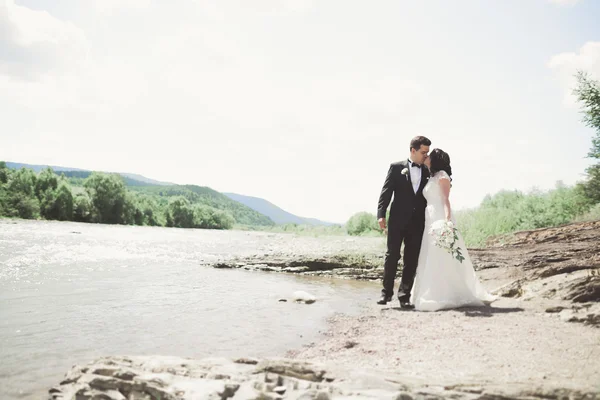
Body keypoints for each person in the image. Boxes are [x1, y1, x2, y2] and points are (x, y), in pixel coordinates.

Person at [410, 148, 496, 311]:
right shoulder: (432, 176)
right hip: (430, 217)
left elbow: (446, 200)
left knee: (442, 254)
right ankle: (427, 291)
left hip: (439, 217)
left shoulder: (442, 176)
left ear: (435, 159)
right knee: (430, 253)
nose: (426, 157)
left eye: (429, 155)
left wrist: (446, 222)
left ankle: (443, 294)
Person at [376, 136, 431, 308]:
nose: (425, 156)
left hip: (418, 222)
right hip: (397, 220)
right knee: (391, 256)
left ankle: (404, 296)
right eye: (423, 152)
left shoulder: (429, 171)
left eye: (427, 152)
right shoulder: (396, 167)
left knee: (411, 259)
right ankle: (386, 294)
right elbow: (386, 192)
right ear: (413, 150)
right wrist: (381, 214)